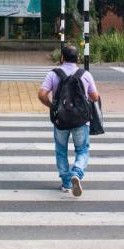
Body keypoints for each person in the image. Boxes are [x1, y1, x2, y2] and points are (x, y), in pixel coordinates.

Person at [38, 44, 101, 197]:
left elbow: (41, 94)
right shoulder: (84, 74)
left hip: (60, 119)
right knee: (82, 150)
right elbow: (95, 96)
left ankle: (66, 183)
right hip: (81, 120)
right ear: (77, 58)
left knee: (61, 150)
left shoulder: (54, 74)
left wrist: (52, 105)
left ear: (62, 58)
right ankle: (77, 173)